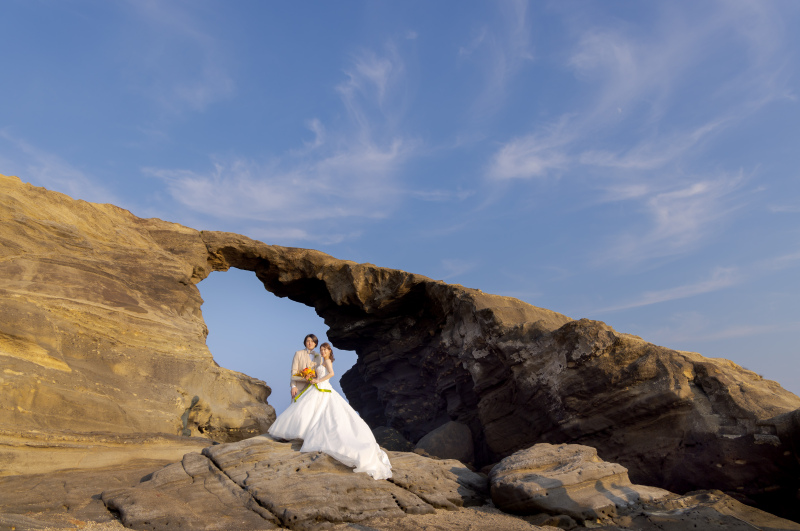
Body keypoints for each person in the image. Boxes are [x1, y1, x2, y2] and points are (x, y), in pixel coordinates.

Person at [268, 341, 392, 480]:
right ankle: (303, 433)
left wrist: (318, 380)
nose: (322, 352)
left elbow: (331, 374)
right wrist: (312, 378)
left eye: (324, 350)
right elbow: (320, 375)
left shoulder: (327, 361)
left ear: (329, 351)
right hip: (318, 387)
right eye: (321, 350)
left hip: (324, 388)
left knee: (325, 414)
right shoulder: (321, 362)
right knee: (309, 409)